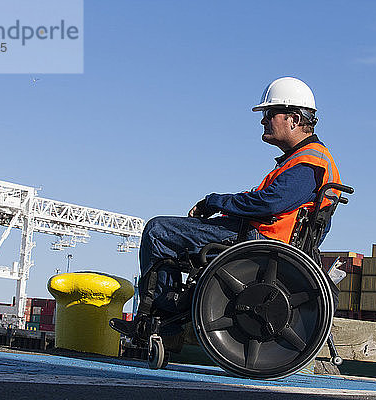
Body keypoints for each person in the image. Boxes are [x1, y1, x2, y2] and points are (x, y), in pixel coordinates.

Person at [110, 77, 341, 339]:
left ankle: (158, 325)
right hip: (263, 237)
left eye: (269, 113)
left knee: (158, 231)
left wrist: (213, 201)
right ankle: (166, 319)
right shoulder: (308, 160)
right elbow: (268, 200)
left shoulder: (308, 162)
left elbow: (268, 203)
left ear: (294, 119)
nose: (263, 120)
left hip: (260, 240)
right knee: (166, 233)